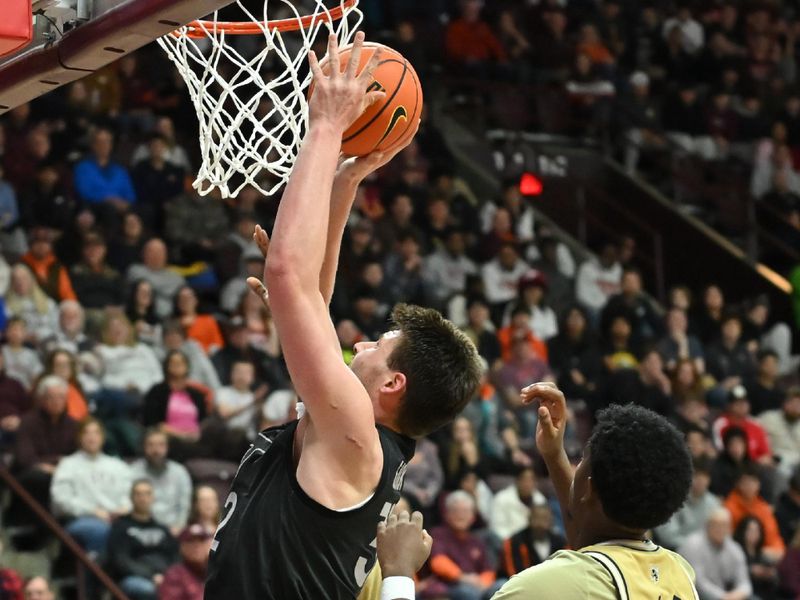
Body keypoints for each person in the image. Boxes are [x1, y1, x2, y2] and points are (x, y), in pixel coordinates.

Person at [204, 33, 482, 600]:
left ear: (393, 382)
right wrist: (345, 180)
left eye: (377, 346)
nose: (358, 346)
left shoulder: (355, 430)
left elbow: (287, 274)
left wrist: (327, 126)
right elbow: (313, 298)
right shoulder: (356, 434)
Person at [492, 384, 697, 599]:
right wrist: (554, 455)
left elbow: (583, 569)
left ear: (589, 487)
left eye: (581, 460)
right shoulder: (680, 572)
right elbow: (594, 545)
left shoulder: (541, 586)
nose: (576, 466)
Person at [50, 418, 133, 555]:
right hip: (82, 519)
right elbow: (61, 500)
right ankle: (96, 569)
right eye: (87, 433)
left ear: (103, 437)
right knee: (101, 530)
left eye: (96, 433)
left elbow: (129, 495)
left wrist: (124, 508)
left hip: (117, 518)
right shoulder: (68, 464)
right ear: (79, 437)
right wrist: (92, 511)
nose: (91, 437)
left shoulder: (118, 466)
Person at [107, 479, 179, 600]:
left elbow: (175, 556)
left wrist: (167, 577)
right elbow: (121, 561)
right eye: (138, 494)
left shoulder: (162, 528)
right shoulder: (120, 527)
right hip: (134, 578)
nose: (143, 498)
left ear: (153, 498)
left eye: (147, 493)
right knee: (148, 590)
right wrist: (152, 576)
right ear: (131, 498)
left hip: (165, 577)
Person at [425, 490, 504, 599]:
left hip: (479, 586)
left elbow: (487, 570)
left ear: (473, 517)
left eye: (465, 511)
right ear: (447, 514)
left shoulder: (477, 541)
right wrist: (463, 577)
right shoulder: (438, 534)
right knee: (468, 593)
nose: (460, 515)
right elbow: (438, 562)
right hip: (449, 585)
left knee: (502, 585)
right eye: (456, 510)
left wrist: (483, 583)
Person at [678, 509, 753, 600]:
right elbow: (698, 583)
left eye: (724, 525)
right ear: (707, 526)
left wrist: (739, 594)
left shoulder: (734, 548)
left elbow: (744, 582)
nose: (720, 529)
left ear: (730, 528)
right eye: (716, 524)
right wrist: (724, 597)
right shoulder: (692, 545)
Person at [130, 428, 193, 536]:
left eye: (161, 445)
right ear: (144, 447)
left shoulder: (180, 472)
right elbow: (128, 503)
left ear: (167, 448)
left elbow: (185, 505)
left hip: (172, 529)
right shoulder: (133, 471)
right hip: (140, 528)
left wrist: (178, 527)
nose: (156, 450)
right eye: (151, 445)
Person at [655, 457, 721, 550]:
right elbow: (667, 536)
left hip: (705, 554)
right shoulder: (674, 499)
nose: (701, 480)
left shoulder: (713, 502)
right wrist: (693, 547)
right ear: (688, 476)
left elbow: (718, 532)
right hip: (675, 552)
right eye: (697, 475)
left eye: (705, 476)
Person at [500, 504, 566, 578]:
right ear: (530, 519)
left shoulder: (560, 541)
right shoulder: (515, 542)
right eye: (538, 518)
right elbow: (513, 573)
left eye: (546, 518)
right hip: (518, 583)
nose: (542, 523)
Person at [489, 466, 547, 542]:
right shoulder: (501, 499)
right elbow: (497, 529)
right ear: (517, 480)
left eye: (531, 480)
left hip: (535, 544)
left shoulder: (540, 500)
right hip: (508, 543)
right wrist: (516, 542)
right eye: (524, 479)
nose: (527, 484)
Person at [159, 524, 212, 600]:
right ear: (181, 547)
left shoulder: (217, 571)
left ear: (209, 544)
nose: (196, 546)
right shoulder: (174, 575)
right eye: (190, 541)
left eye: (201, 540)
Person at [758, 387, 800, 479]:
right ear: (785, 403)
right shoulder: (768, 418)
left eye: (799, 405)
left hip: (797, 462)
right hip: (776, 461)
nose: (796, 408)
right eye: (793, 403)